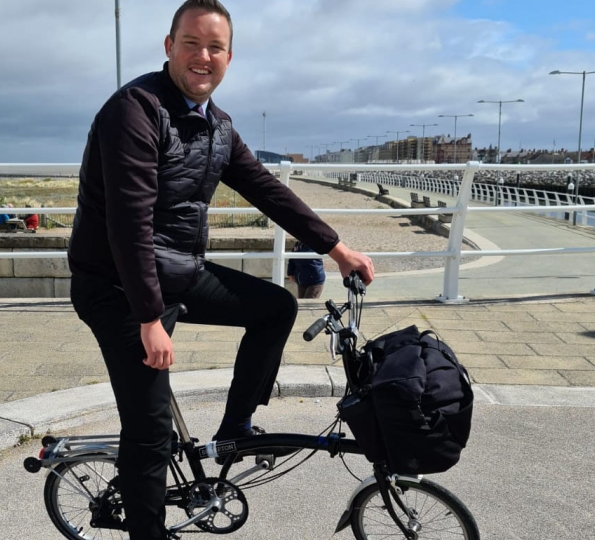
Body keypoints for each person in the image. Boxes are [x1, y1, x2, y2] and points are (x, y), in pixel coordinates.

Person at [67, 1, 374, 538]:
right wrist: (148, 319)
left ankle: (236, 427)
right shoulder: (134, 111)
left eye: (215, 47)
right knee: (150, 429)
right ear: (169, 47)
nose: (202, 56)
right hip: (116, 287)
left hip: (177, 273)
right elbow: (128, 224)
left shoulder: (218, 126)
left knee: (275, 306)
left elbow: (267, 190)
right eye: (191, 43)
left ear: (229, 57)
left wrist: (337, 248)